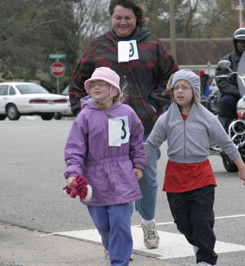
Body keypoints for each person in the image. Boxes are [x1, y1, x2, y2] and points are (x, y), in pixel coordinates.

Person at [67, 0, 178, 249]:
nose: (123, 22)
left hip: (142, 126)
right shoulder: (97, 47)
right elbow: (76, 85)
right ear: (111, 18)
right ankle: (119, 239)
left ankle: (148, 222)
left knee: (145, 176)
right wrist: (85, 115)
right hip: (103, 131)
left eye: (127, 17)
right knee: (115, 180)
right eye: (118, 17)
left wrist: (152, 108)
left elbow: (171, 79)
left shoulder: (153, 45)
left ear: (137, 18)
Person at [144, 69, 245, 266]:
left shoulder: (206, 117)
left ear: (194, 91)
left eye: (185, 87)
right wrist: (136, 166)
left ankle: (206, 258)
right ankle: (202, 245)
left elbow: (226, 143)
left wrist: (242, 168)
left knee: (202, 221)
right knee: (183, 223)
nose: (179, 91)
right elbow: (150, 144)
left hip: (201, 174)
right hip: (175, 174)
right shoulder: (166, 118)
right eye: (176, 87)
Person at [64, 67, 148, 265]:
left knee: (120, 224)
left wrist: (138, 165)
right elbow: (74, 149)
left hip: (122, 176)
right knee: (103, 226)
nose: (96, 87)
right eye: (93, 83)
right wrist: (73, 173)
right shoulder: (84, 117)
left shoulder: (126, 113)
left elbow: (137, 141)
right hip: (94, 179)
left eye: (101, 83)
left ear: (114, 89)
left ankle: (119, 261)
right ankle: (112, 248)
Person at [215, 27, 245, 130]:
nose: (244, 44)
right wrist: (240, 92)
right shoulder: (227, 60)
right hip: (235, 95)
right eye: (240, 41)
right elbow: (222, 81)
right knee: (227, 101)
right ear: (235, 43)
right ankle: (223, 133)